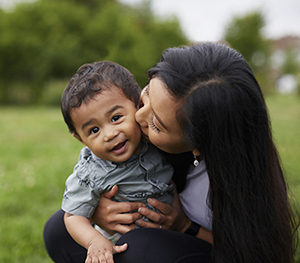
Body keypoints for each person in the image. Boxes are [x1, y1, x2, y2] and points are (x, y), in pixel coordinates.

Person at [44, 43, 299, 263]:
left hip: (197, 251)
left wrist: (184, 226)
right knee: (59, 228)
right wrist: (101, 211)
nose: (138, 117)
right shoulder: (140, 131)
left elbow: (248, 255)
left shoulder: (241, 181)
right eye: (145, 98)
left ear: (198, 144)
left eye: (156, 123)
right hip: (137, 233)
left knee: (141, 247)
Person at [59, 61, 174, 263]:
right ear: (80, 139)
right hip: (121, 244)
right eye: (94, 130)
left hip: (169, 235)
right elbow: (73, 217)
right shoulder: (90, 172)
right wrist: (94, 242)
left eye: (116, 118)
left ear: (137, 105)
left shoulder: (153, 138)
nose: (110, 134)